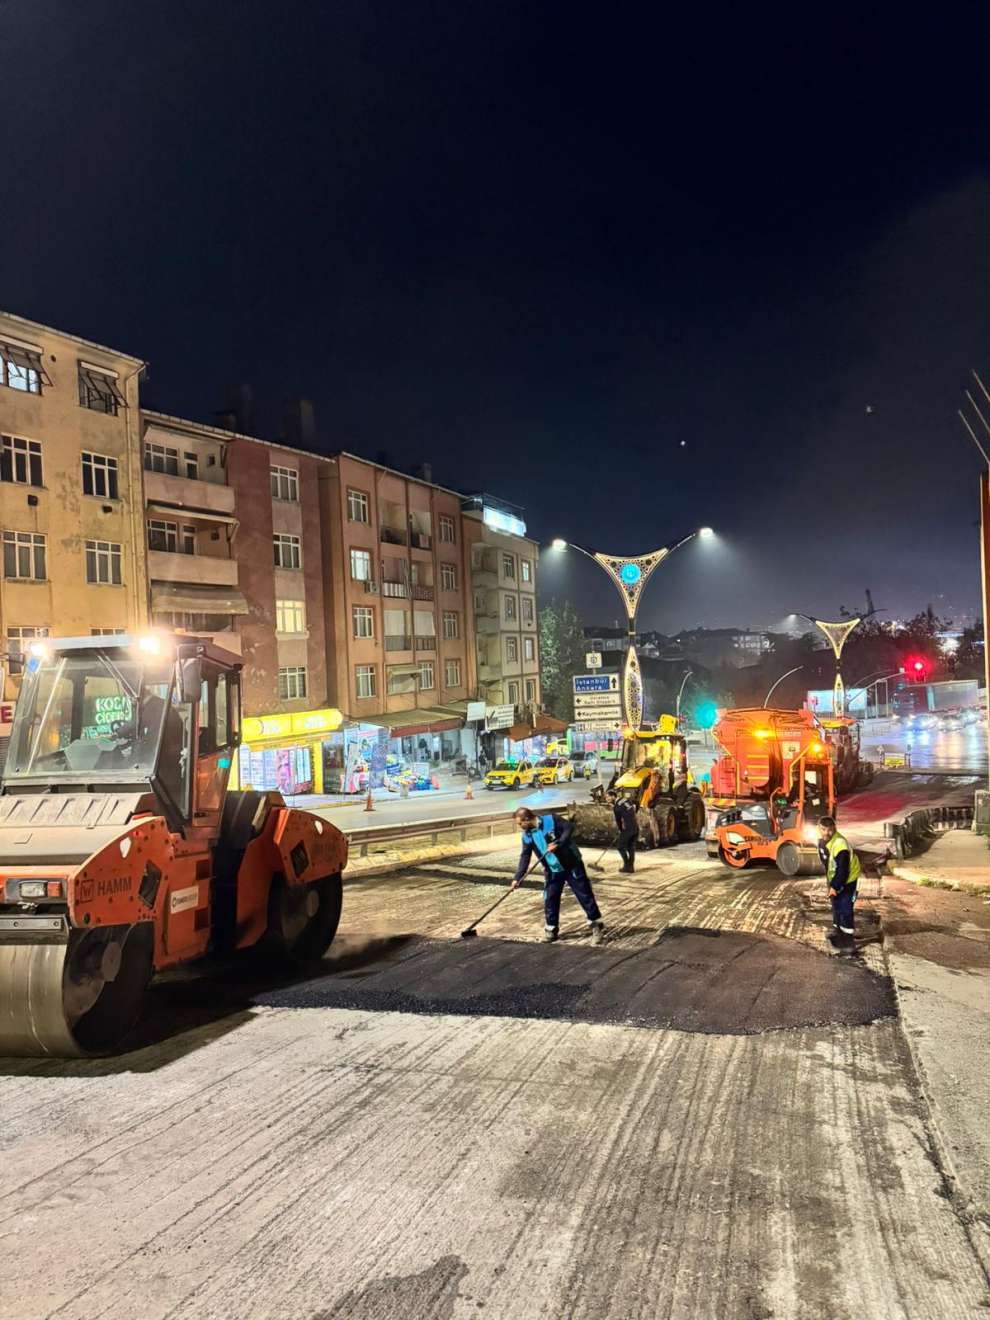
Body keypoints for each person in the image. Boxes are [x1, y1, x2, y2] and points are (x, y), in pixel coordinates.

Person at [511, 806, 605, 945]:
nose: (520, 827)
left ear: (527, 819)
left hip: (571, 864)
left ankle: (596, 926)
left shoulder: (551, 820)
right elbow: (525, 856)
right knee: (550, 897)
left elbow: (569, 828)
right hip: (552, 869)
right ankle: (551, 929)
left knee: (584, 895)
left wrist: (558, 843)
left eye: (520, 823)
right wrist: (517, 878)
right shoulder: (527, 836)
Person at [818, 816, 861, 950]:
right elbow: (828, 864)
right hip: (836, 879)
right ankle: (837, 933)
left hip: (848, 880)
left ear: (834, 829)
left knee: (845, 908)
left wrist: (835, 886)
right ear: (818, 829)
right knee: (836, 906)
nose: (826, 833)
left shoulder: (840, 844)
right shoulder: (823, 842)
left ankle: (848, 943)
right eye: (823, 829)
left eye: (829, 830)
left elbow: (843, 868)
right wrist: (830, 884)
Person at [613, 795, 638, 873]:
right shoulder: (626, 799)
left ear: (613, 796)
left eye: (608, 797)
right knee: (631, 847)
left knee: (620, 847)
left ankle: (627, 865)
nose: (607, 799)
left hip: (628, 829)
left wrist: (621, 829)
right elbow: (636, 803)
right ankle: (631, 867)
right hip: (635, 828)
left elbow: (618, 821)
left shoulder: (617, 807)